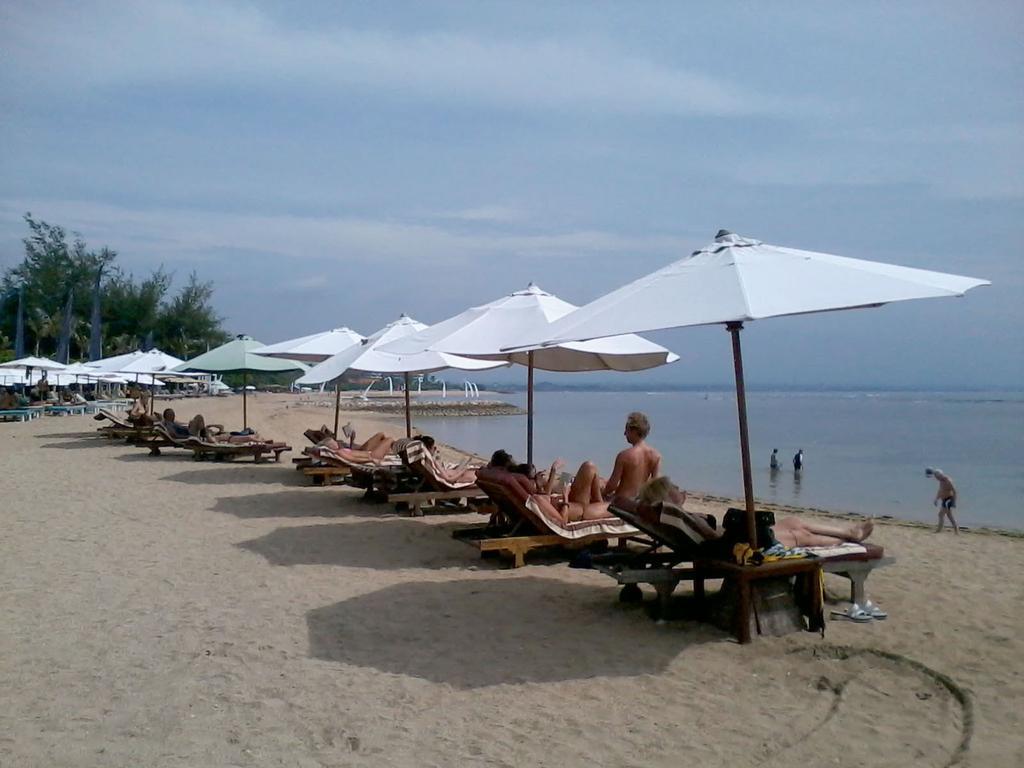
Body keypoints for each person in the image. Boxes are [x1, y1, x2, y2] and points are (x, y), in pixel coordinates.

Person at [632, 479, 874, 549]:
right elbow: (713, 538)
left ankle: (848, 533)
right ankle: (848, 538)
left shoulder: (678, 517)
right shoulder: (679, 515)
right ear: (667, 496)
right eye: (674, 487)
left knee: (793, 523)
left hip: (731, 540)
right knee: (800, 534)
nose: (679, 488)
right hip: (735, 545)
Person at [926, 467, 959, 534]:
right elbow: (940, 491)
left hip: (949, 499)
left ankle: (939, 530)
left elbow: (954, 491)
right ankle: (956, 530)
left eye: (936, 477)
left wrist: (954, 502)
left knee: (941, 514)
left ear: (940, 475)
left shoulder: (948, 481)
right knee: (949, 515)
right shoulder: (941, 481)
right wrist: (936, 499)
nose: (936, 478)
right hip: (944, 500)